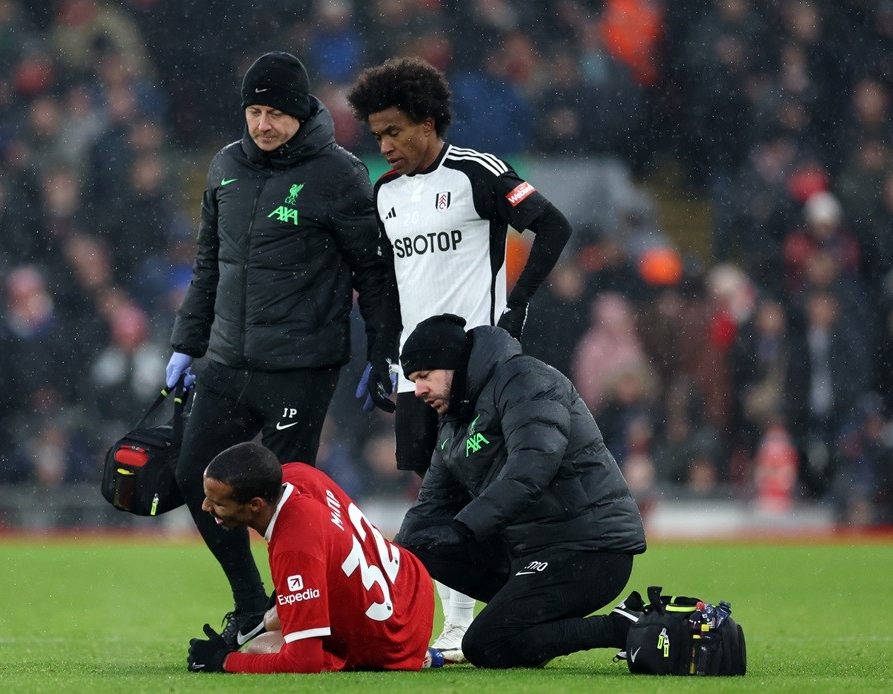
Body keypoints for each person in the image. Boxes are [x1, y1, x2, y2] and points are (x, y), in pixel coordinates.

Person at [164, 51, 400, 647]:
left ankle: (297, 620)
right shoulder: (223, 169)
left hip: (301, 366)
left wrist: (382, 351)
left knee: (283, 500)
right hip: (227, 359)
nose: (262, 125)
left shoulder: (340, 174)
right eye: (254, 111)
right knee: (196, 475)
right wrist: (186, 346)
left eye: (275, 113)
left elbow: (372, 273)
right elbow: (208, 268)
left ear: (301, 114)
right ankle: (253, 607)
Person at [346, 56, 574, 660]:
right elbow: (392, 284)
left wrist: (518, 306)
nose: (386, 145)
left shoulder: (477, 173)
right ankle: (460, 621)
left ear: (427, 121)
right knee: (435, 492)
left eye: (394, 131)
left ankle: (509, 606)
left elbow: (552, 226)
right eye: (377, 136)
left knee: (491, 489)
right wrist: (381, 356)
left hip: (482, 368)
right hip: (416, 372)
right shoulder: (385, 193)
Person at [394, 314, 647, 668]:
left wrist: (464, 528)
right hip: (531, 551)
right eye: (413, 380)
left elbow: (531, 469)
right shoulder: (454, 419)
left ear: (452, 363)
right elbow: (428, 508)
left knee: (485, 645)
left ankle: (621, 627)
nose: (418, 391)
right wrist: (383, 565)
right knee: (418, 543)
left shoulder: (526, 379)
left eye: (424, 376)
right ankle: (524, 625)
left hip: (590, 549)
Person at [185, 442, 435, 673]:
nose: (206, 507)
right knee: (273, 618)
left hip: (394, 643)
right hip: (411, 584)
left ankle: (414, 654)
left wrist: (224, 660)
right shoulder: (298, 474)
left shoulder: (294, 547)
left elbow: (304, 661)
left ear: (255, 505)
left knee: (260, 646)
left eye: (218, 503)